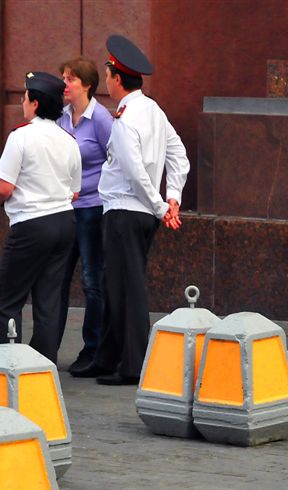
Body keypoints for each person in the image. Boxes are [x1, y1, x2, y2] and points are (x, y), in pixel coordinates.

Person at [71, 35, 189, 385]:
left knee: (128, 289)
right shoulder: (153, 110)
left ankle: (135, 364)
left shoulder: (124, 118)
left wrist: (160, 204)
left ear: (117, 79)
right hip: (141, 213)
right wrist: (173, 198)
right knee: (115, 284)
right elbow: (178, 154)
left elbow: (134, 169)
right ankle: (107, 357)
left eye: (108, 75)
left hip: (125, 211)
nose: (106, 81)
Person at [0, 71, 81, 364]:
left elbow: (3, 187)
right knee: (49, 300)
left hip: (31, 224)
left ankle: (6, 364)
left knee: (7, 301)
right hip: (64, 222)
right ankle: (43, 365)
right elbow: (75, 192)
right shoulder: (69, 140)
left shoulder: (21, 136)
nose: (22, 101)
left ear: (36, 104)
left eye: (26, 96)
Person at [56, 57, 113, 374]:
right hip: (64, 210)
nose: (64, 84)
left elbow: (116, 159)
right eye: (63, 77)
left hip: (92, 209)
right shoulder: (61, 117)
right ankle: (47, 348)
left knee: (92, 281)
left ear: (87, 85)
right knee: (57, 280)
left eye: (71, 79)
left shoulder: (101, 119)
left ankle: (93, 350)